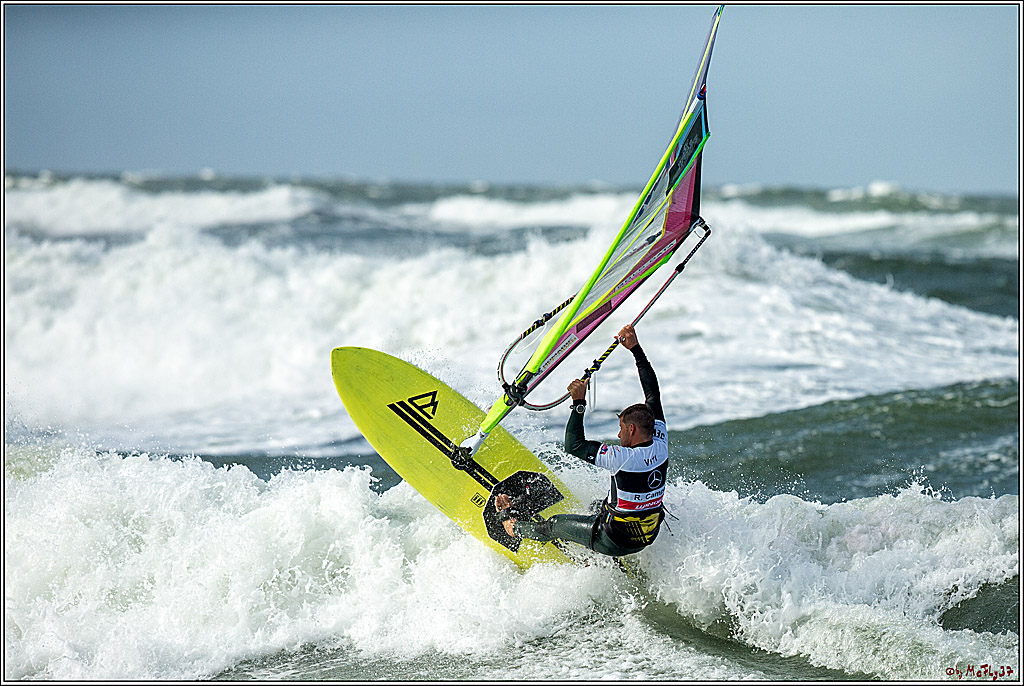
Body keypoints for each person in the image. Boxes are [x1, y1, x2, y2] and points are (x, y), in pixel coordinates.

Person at [493, 324, 667, 557]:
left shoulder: (622, 459)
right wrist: (636, 350)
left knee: (554, 524)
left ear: (632, 429)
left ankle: (513, 527)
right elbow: (652, 394)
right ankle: (597, 551)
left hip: (614, 540)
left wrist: (578, 403)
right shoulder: (661, 441)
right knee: (597, 506)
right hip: (646, 536)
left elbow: (573, 445)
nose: (619, 435)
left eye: (621, 429)